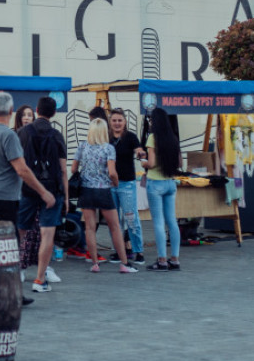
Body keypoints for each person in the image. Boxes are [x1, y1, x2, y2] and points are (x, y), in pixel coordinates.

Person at [0, 91, 55, 306]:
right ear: (11, 111)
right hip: (6, 197)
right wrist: (43, 192)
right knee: (9, 247)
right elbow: (22, 169)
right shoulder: (9, 136)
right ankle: (7, 293)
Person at [70, 118, 137, 274]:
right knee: (115, 227)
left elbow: (73, 169)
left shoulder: (82, 146)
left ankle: (95, 263)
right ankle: (124, 263)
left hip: (86, 190)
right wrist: (115, 182)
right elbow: (112, 172)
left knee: (90, 228)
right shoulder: (108, 148)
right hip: (103, 190)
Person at [17, 97, 70, 293]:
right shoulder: (57, 135)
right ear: (54, 113)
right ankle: (40, 280)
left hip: (28, 188)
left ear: (37, 110)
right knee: (47, 234)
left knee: (20, 231)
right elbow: (63, 170)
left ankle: (11, 271)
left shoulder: (23, 133)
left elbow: (17, 164)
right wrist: (66, 196)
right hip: (52, 191)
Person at [140, 107, 183, 271]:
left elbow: (151, 163)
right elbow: (179, 163)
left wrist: (142, 162)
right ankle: (175, 259)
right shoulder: (173, 138)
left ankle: (162, 260)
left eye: (151, 120)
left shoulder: (152, 138)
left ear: (155, 121)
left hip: (155, 183)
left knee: (158, 222)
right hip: (170, 183)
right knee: (172, 221)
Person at [109, 108, 146, 264]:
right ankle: (119, 251)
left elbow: (138, 149)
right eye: (114, 120)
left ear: (125, 122)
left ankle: (138, 251)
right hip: (110, 184)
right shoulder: (106, 138)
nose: (117, 123)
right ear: (110, 122)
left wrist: (141, 154)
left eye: (120, 120)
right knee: (114, 221)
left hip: (127, 184)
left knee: (131, 218)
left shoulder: (130, 137)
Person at [13, 104, 41, 278]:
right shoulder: (13, 135)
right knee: (22, 229)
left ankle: (41, 267)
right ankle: (19, 266)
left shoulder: (37, 136)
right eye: (24, 115)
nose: (26, 118)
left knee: (37, 230)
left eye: (30, 115)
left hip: (34, 186)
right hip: (19, 188)